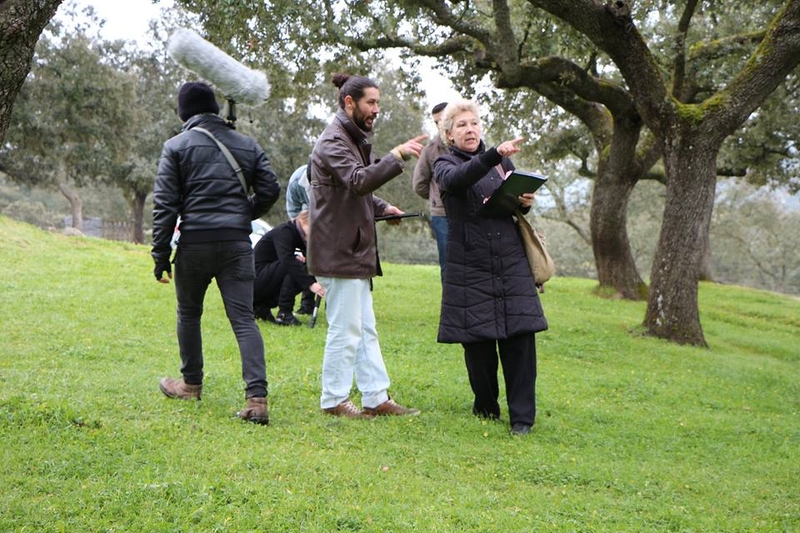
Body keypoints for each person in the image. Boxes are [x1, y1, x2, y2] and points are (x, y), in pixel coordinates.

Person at [151, 81, 281, 425]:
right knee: (242, 318)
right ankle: (257, 398)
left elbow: (165, 205)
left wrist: (160, 254)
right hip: (237, 244)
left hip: (194, 242)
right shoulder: (246, 144)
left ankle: (190, 385)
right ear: (215, 109)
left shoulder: (176, 146)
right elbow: (271, 188)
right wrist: (243, 213)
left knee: (189, 312)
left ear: (184, 112)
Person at [307, 73, 427, 419]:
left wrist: (383, 208)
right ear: (349, 103)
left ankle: (376, 397)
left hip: (352, 248)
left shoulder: (351, 138)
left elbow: (348, 192)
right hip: (338, 250)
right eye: (371, 102)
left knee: (365, 327)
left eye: (378, 102)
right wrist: (397, 155)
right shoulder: (333, 141)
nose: (377, 109)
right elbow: (358, 181)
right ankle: (333, 400)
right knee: (345, 329)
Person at [434, 99, 548, 436]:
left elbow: (507, 203)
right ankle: (485, 404)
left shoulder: (503, 164)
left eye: (474, 123)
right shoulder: (445, 163)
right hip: (470, 263)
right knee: (479, 344)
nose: (470, 129)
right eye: (462, 126)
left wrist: (523, 201)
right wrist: (493, 154)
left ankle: (522, 419)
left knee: (520, 338)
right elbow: (458, 181)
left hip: (509, 258)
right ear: (450, 135)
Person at [253, 210, 324, 325]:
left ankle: (261, 307)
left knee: (301, 266)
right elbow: (286, 260)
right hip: (255, 281)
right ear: (302, 221)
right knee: (295, 266)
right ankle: (284, 313)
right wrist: (310, 284)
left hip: (262, 280)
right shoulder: (284, 232)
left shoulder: (297, 235)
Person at [412, 102, 450, 279]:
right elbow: (419, 184)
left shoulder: (473, 145)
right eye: (436, 122)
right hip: (442, 215)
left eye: (443, 120)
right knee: (448, 264)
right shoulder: (430, 150)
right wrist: (437, 196)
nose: (440, 125)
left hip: (471, 211)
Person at [284, 163, 315, 314]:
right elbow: (293, 209)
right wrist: (301, 235)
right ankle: (307, 305)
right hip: (307, 223)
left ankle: (334, 304)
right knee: (307, 262)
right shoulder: (297, 181)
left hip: (333, 223)